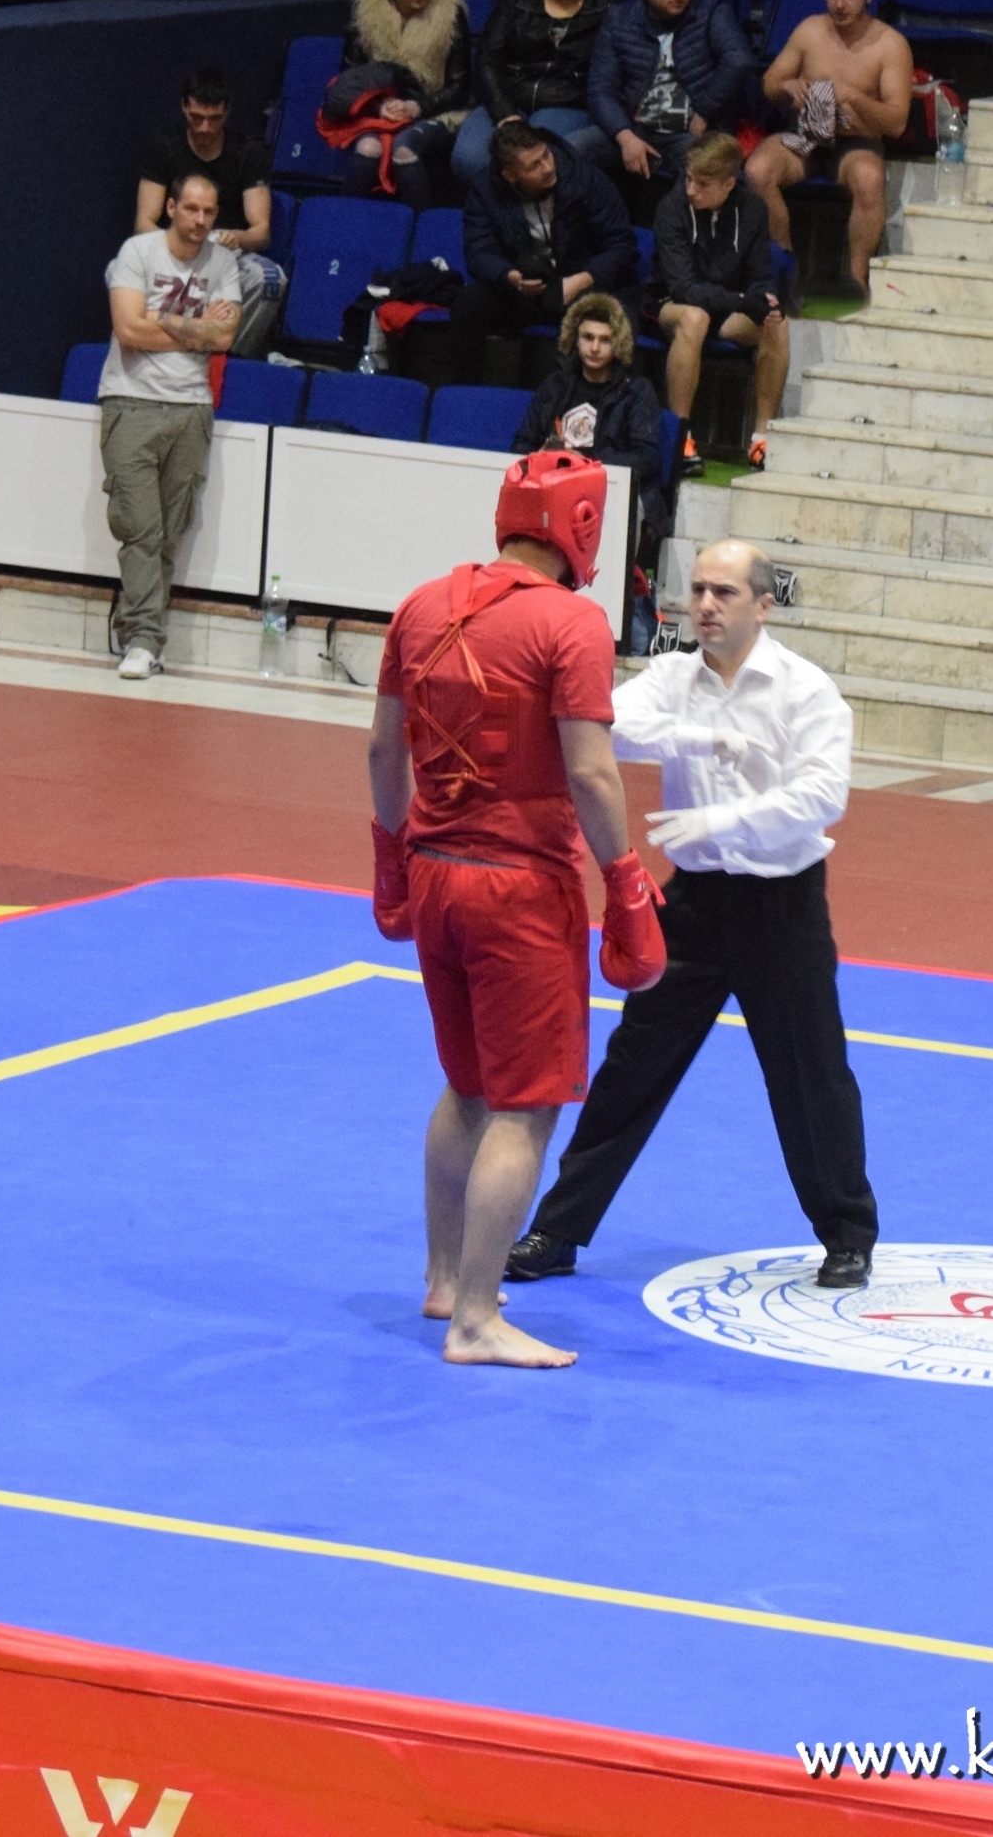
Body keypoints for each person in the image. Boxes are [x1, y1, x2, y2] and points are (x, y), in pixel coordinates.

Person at [503, 537, 881, 1292]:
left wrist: (724, 819)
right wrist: (699, 738)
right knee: (631, 1068)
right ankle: (559, 1228)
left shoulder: (807, 691)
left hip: (782, 905)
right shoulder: (672, 677)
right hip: (694, 903)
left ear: (764, 605)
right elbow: (605, 722)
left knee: (811, 1074)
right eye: (698, 590)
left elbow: (822, 796)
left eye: (724, 593)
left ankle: (848, 1235)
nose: (705, 605)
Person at [366, 452, 668, 1367]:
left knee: (466, 1088)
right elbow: (590, 772)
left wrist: (389, 857)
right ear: (584, 527)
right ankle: (475, 1321)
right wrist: (626, 881)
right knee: (527, 1107)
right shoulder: (571, 622)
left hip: (434, 873)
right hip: (519, 892)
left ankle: (443, 1280)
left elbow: (383, 751)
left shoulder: (422, 605)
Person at [98, 173, 239, 683]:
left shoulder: (224, 262)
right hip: (130, 401)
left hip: (191, 408)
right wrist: (198, 326)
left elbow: (226, 336)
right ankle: (143, 638)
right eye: (191, 209)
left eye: (209, 212)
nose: (200, 220)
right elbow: (128, 329)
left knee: (168, 533)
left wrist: (162, 318)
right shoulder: (137, 252)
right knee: (140, 528)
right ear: (172, 207)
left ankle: (140, 632)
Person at [745, 0, 914, 297]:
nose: (839, 4)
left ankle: (857, 279)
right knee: (758, 170)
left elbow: (896, 123)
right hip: (806, 137)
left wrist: (854, 96)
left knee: (869, 179)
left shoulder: (891, 45)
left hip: (856, 143)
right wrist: (788, 86)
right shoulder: (810, 30)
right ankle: (784, 267)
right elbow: (769, 83)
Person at [450, 119, 637, 387]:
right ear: (510, 175)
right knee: (469, 304)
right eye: (533, 166)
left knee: (611, 312)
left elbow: (622, 245)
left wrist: (582, 280)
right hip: (523, 287)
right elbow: (478, 252)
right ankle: (464, 394)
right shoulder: (485, 191)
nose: (548, 167)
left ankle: (584, 399)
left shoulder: (583, 176)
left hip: (580, 283)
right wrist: (510, 276)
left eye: (546, 155)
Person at [650, 131, 789, 478]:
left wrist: (763, 298)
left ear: (729, 184)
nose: (691, 190)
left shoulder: (752, 210)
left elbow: (759, 275)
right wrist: (742, 300)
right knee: (695, 318)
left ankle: (762, 438)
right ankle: (681, 436)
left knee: (775, 320)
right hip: (671, 303)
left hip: (726, 306)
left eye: (702, 184)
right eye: (689, 179)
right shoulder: (671, 209)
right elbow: (683, 287)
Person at [588, 0, 757, 219]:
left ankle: (687, 243)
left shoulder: (710, 8)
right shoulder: (620, 20)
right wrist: (625, 136)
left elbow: (739, 59)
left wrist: (705, 109)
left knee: (711, 175)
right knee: (567, 152)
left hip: (690, 133)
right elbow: (599, 89)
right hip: (635, 129)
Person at [452, 0, 618, 186]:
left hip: (567, 102)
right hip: (509, 98)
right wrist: (505, 113)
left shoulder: (609, 6)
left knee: (537, 161)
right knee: (469, 159)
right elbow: (487, 60)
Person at [134, 69, 279, 358]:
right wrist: (176, 244)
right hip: (172, 249)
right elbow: (143, 223)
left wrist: (235, 238)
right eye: (196, 117)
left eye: (214, 119)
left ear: (227, 112)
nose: (204, 128)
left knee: (269, 279)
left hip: (225, 251)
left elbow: (261, 231)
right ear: (184, 107)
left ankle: (223, 356)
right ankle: (170, 349)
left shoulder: (247, 152)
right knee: (118, 270)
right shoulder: (165, 148)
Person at [341, 0, 474, 211]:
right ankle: (343, 222)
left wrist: (416, 107)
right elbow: (349, 77)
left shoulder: (449, 12)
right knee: (369, 148)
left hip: (436, 109)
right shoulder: (367, 10)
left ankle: (419, 228)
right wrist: (379, 106)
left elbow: (460, 87)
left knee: (403, 149)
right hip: (379, 108)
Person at [511, 294, 665, 543]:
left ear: (619, 343)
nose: (594, 347)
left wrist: (585, 463)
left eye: (605, 340)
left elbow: (647, 459)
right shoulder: (555, 385)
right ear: (575, 339)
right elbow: (521, 445)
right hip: (553, 488)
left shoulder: (636, 391)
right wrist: (539, 457)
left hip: (609, 491)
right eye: (588, 337)